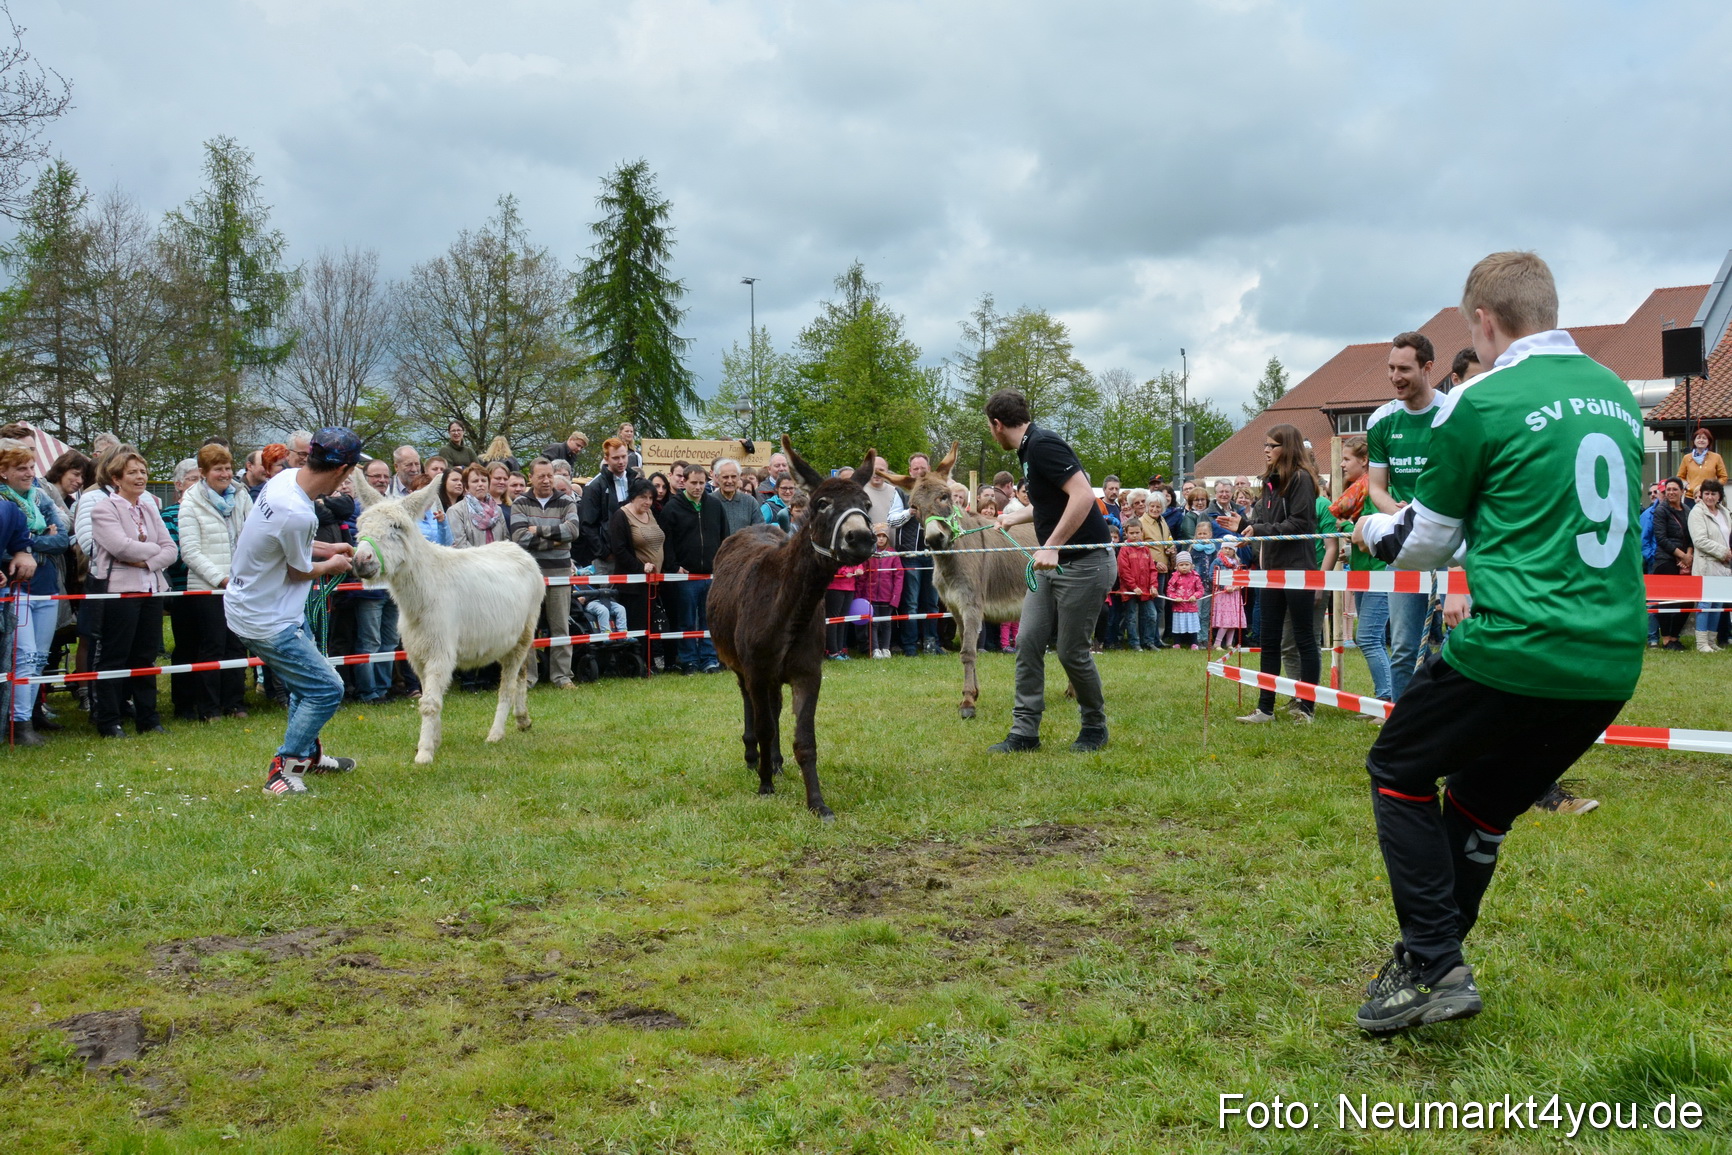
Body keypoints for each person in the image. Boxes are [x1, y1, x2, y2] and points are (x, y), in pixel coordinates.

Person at [1349, 250, 1646, 1034]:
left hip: (1517, 640)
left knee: (1397, 765)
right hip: (1611, 656)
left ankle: (1433, 959)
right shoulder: (1619, 396)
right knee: (1479, 805)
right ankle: (1430, 963)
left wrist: (1372, 523)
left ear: (1484, 322)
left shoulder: (1480, 401)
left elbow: (1425, 541)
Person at [225, 429, 364, 795]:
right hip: (265, 618)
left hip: (269, 606)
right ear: (344, 471)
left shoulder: (286, 479)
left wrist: (329, 546)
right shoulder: (296, 511)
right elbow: (298, 570)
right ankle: (283, 768)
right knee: (325, 689)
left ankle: (309, 756)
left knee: (307, 684)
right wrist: (332, 563)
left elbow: (285, 541)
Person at [984, 389, 1116, 753]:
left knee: (1072, 651)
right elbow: (1050, 503)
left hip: (1086, 564)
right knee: (1027, 643)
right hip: (1049, 566)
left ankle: (1094, 726)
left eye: (990, 428)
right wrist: (1015, 517)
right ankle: (1024, 733)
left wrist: (1052, 544)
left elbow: (1084, 495)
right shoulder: (1028, 449)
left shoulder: (1043, 444)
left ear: (997, 424)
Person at [1223, 423, 1321, 723]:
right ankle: (1265, 708)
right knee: (1269, 639)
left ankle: (1306, 707)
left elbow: (1301, 524)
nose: (1266, 451)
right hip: (1271, 569)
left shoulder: (1301, 479)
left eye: (1272, 445)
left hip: (1297, 568)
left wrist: (1258, 528)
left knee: (1304, 638)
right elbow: (1263, 522)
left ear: (1287, 448)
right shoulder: (1267, 483)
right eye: (1264, 445)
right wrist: (1242, 527)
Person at [1367, 331, 1442, 701]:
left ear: (1428, 368)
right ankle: (1401, 724)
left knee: (1463, 640)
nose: (1395, 376)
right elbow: (1377, 487)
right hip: (1407, 543)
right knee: (1403, 646)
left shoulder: (1452, 414)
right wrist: (1395, 512)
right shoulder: (1382, 421)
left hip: (1454, 544)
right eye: (1391, 368)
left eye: (1405, 369)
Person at [88, 449, 179, 739]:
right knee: (114, 656)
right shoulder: (104, 509)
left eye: (143, 471)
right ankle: (109, 720)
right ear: (116, 478)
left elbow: (171, 550)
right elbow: (120, 547)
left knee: (145, 656)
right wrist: (153, 552)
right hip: (119, 593)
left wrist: (146, 559)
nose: (140, 477)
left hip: (151, 590)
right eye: (132, 473)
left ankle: (148, 718)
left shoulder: (151, 506)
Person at [177, 444, 255, 722]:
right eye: (218, 469)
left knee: (236, 645)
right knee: (212, 647)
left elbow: (253, 535)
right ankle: (208, 708)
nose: (225, 474)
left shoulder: (242, 496)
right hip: (207, 588)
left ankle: (235, 702)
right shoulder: (190, 503)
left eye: (227, 468)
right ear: (203, 472)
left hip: (241, 584)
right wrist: (221, 579)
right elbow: (190, 552)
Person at [0, 440, 67, 744]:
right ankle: (18, 723)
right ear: (4, 472)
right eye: (21, 468)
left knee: (39, 657)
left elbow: (62, 539)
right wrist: (35, 539)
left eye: (31, 467)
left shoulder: (41, 498)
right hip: (18, 588)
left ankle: (31, 714)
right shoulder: (5, 503)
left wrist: (28, 543)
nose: (29, 473)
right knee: (23, 657)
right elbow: (7, 548)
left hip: (46, 585)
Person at [511, 459, 581, 689]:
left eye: (549, 475)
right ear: (530, 477)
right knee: (527, 627)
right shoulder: (520, 502)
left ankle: (562, 676)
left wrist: (539, 531)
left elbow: (572, 531)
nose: (546, 480)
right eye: (541, 476)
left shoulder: (566, 500)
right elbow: (520, 538)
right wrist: (556, 541)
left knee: (561, 625)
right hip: (529, 575)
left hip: (560, 573)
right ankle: (528, 677)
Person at [1332, 436, 1392, 702]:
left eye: (1347, 459)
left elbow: (1374, 528)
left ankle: (1388, 699)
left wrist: (1346, 527)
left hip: (1380, 573)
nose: (1342, 465)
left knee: (1368, 637)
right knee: (1372, 638)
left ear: (1365, 461)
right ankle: (1387, 698)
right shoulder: (1359, 490)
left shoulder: (1373, 490)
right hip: (1363, 572)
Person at [658, 464, 724, 674]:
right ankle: (688, 660)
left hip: (711, 574)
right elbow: (665, 541)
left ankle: (709, 659)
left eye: (701, 483)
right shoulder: (672, 508)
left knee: (709, 620)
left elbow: (724, 536)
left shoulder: (715, 505)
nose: (697, 487)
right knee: (686, 620)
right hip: (685, 577)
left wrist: (722, 564)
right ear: (683, 482)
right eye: (693, 482)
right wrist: (674, 566)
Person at [893, 453, 943, 656]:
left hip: (933, 554)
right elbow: (891, 521)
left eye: (923, 468)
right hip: (911, 555)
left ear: (929, 469)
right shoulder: (901, 492)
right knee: (911, 603)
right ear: (910, 471)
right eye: (916, 469)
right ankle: (910, 646)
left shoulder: (937, 491)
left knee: (932, 602)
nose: (920, 472)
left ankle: (931, 643)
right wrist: (909, 512)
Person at [606, 476, 664, 636]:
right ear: (633, 496)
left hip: (654, 582)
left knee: (653, 627)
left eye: (651, 498)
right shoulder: (621, 516)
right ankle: (640, 661)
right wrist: (641, 568)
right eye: (643, 497)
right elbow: (619, 550)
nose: (648, 502)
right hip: (634, 585)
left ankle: (650, 659)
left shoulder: (651, 513)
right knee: (638, 629)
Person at [578, 437, 640, 570]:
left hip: (635, 554)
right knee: (608, 591)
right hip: (608, 559)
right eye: (616, 458)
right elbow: (587, 525)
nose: (621, 461)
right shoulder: (594, 486)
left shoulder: (635, 481)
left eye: (624, 456)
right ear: (606, 459)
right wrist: (604, 553)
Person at [1649, 477, 1692, 650]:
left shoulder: (1688, 510)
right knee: (1668, 602)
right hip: (1665, 560)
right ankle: (1666, 638)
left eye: (1675, 489)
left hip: (1685, 561)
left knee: (1688, 602)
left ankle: (1675, 636)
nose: (1671, 492)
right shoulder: (1661, 510)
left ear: (1682, 491)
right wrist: (1681, 555)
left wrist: (1688, 555)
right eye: (1668, 490)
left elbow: (1692, 537)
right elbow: (1661, 538)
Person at [1689, 477, 1729, 651]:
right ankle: (1701, 642)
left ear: (1719, 496)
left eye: (1714, 493)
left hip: (1724, 566)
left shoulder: (1724, 512)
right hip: (1707, 565)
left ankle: (1712, 641)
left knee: (1718, 604)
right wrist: (1723, 552)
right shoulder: (1697, 512)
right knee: (1705, 604)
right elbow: (1700, 540)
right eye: (1707, 493)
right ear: (1701, 495)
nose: (1710, 497)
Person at [1114, 520, 1157, 650]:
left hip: (1146, 590)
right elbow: (1123, 571)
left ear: (1142, 532)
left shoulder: (1145, 549)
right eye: (1131, 533)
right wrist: (1133, 587)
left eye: (1137, 532)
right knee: (1131, 617)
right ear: (1126, 534)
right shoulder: (1124, 549)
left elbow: (1152, 569)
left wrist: (1153, 585)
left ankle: (1148, 642)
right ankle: (1135, 643)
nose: (1135, 535)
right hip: (1130, 590)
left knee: (1151, 615)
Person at [863, 523, 904, 658]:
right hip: (871, 596)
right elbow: (863, 576)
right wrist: (863, 596)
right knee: (873, 624)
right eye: (878, 536)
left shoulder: (893, 554)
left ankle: (886, 648)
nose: (880, 539)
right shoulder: (869, 554)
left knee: (887, 623)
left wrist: (895, 598)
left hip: (888, 597)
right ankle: (875, 649)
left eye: (883, 536)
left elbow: (899, 577)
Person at [710, 459, 761, 538]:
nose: (730, 481)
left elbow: (760, 531)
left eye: (733, 476)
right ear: (717, 478)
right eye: (725, 477)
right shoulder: (709, 501)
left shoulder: (750, 502)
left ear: (739, 477)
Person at [1210, 539, 1246, 650]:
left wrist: (1237, 586)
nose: (1227, 550)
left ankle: (1229, 643)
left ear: (1234, 550)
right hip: (1223, 594)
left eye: (1230, 548)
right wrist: (1224, 587)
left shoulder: (1237, 563)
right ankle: (1217, 643)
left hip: (1234, 594)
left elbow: (1241, 578)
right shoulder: (1217, 561)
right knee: (1225, 620)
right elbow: (1213, 576)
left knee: (1233, 620)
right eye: (1225, 548)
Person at [1166, 552, 1205, 649]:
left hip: (1191, 607)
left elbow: (1200, 590)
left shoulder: (1195, 577)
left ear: (1191, 565)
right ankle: (1176, 643)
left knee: (1193, 626)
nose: (1184, 567)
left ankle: (1194, 643)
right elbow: (1169, 590)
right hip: (1178, 607)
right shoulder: (1174, 577)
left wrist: (1195, 596)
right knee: (1177, 626)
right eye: (1181, 565)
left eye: (1187, 565)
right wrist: (1175, 597)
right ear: (1177, 566)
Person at [1678, 429, 1728, 500]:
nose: (1701, 440)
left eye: (1704, 438)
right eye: (1698, 438)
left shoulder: (1716, 457)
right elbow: (1680, 477)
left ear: (1708, 441)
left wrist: (1714, 487)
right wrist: (1688, 486)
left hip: (1710, 497)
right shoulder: (1687, 458)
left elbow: (1723, 477)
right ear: (1694, 441)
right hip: (1691, 497)